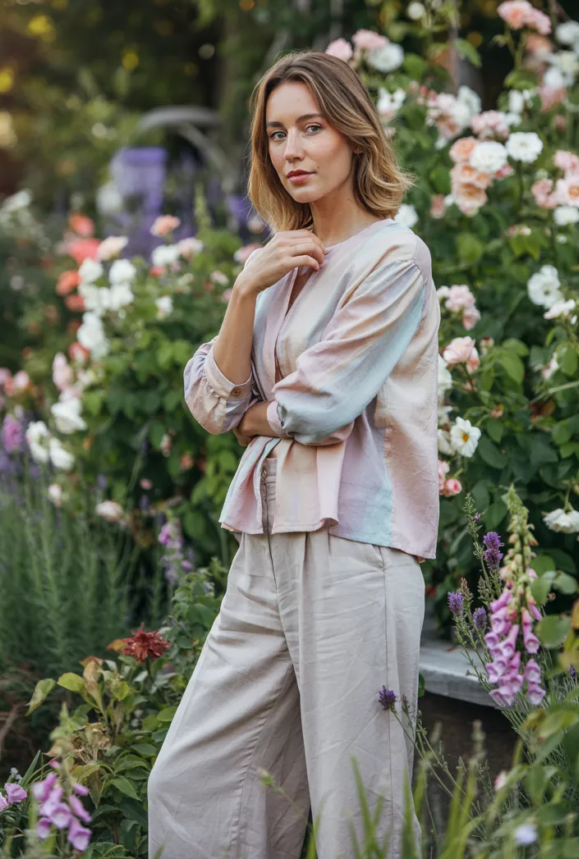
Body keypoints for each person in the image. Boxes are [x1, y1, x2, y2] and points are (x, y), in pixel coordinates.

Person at [148, 50, 441, 859]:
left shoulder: (392, 258)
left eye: (312, 127)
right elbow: (211, 401)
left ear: (352, 135)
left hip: (355, 548)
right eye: (277, 133)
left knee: (359, 813)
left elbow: (316, 406)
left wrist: (250, 416)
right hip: (265, 546)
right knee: (194, 784)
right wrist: (244, 291)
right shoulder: (278, 264)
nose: (293, 149)